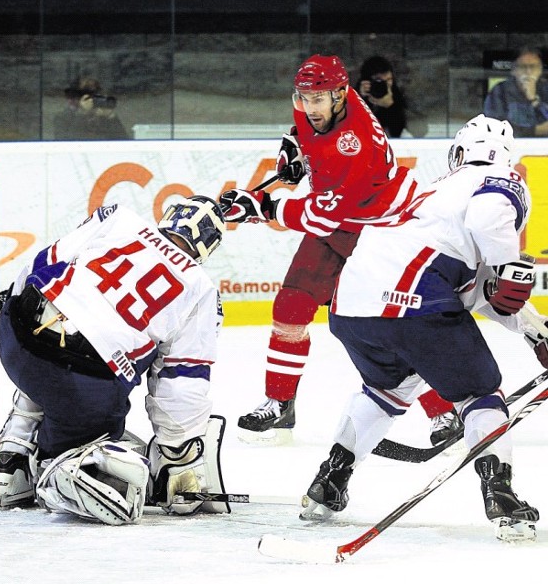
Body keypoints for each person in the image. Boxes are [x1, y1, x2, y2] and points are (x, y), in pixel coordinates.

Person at [299, 114, 548, 542]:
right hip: (413, 301)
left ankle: (328, 483)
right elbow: (490, 229)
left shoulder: (431, 190)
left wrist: (536, 332)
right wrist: (510, 268)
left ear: (458, 152)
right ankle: (501, 495)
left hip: (351, 307)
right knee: (479, 394)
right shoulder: (501, 180)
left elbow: (475, 289)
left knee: (385, 390)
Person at [220, 54, 459, 447]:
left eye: (318, 100)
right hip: (340, 218)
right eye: (304, 98)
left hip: (379, 229)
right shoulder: (321, 102)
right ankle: (280, 403)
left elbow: (321, 218)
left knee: (385, 327)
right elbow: (306, 136)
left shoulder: (356, 143)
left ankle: (443, 411)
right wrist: (293, 147)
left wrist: (261, 207)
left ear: (339, 96)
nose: (310, 108)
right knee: (291, 306)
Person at [0, 195, 231, 524]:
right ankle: (58, 467)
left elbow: (47, 259)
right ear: (209, 246)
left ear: (170, 215)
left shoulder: (120, 218)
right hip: (79, 388)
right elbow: (180, 381)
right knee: (104, 449)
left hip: (13, 336)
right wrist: (178, 451)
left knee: (60, 323)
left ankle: (14, 450)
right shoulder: (201, 289)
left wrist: (12, 303)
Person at [355, 55, 427, 138]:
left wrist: (392, 106)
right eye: (379, 81)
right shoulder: (352, 97)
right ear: (366, 82)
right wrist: (358, 99)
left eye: (389, 80)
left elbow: (421, 130)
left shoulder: (398, 96)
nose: (384, 85)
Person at [484, 46, 548, 137]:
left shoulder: (546, 89)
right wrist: (533, 131)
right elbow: (493, 126)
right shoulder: (500, 91)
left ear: (540, 70)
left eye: (533, 67)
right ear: (514, 70)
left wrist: (534, 100)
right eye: (523, 67)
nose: (528, 72)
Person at [53, 76, 129, 140]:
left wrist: (111, 117)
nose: (91, 98)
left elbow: (123, 142)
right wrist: (82, 114)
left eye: (95, 94)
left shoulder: (104, 116)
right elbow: (67, 143)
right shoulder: (63, 118)